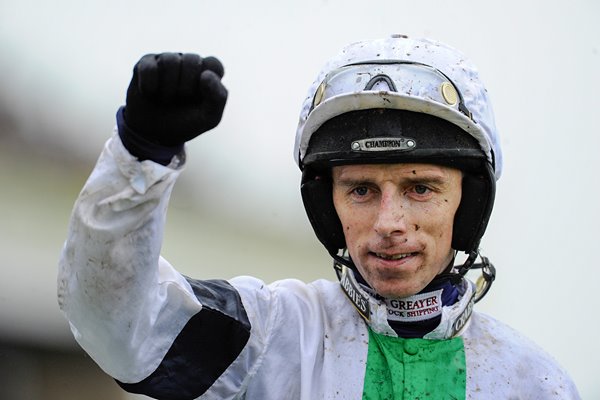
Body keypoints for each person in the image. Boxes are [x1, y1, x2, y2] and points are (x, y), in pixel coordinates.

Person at [58, 35, 580, 399]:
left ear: (467, 204)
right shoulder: (269, 339)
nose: (388, 222)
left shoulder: (537, 384)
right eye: (361, 190)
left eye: (420, 188)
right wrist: (139, 155)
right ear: (325, 207)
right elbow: (117, 325)